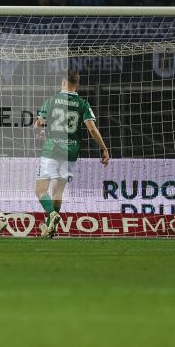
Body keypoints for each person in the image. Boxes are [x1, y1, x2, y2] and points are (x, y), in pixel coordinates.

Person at [34, 70, 110, 239]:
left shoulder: (52, 100)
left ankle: (51, 215)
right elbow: (92, 129)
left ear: (62, 83)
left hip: (51, 150)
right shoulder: (83, 103)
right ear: (77, 85)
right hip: (71, 152)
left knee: (40, 190)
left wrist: (40, 133)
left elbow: (39, 123)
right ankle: (49, 230)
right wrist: (104, 148)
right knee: (58, 191)